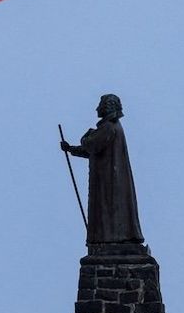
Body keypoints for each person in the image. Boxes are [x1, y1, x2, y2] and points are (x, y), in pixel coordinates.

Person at [60, 94, 144, 245]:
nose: (97, 108)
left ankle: (111, 238)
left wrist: (85, 138)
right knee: (108, 209)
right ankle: (109, 237)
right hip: (108, 178)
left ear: (107, 107)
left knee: (109, 208)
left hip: (109, 180)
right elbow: (92, 150)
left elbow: (91, 145)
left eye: (100, 105)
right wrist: (71, 149)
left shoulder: (109, 127)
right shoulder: (111, 127)